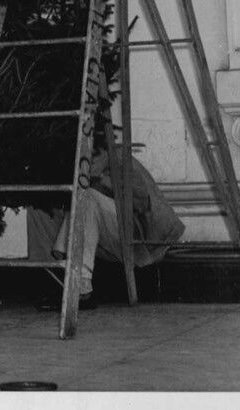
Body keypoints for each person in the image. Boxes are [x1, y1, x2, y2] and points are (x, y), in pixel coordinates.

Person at [25, 124, 186, 310]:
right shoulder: (75, 161)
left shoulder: (118, 159)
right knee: (40, 206)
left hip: (143, 239)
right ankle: (55, 280)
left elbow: (142, 205)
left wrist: (103, 183)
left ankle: (82, 288)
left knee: (87, 198)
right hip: (106, 236)